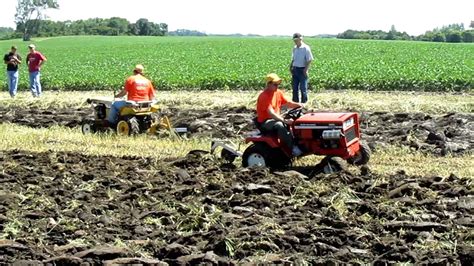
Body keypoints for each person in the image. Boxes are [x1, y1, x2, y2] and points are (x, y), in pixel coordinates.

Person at [256, 73, 304, 156]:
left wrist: (300, 105)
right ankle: (293, 148)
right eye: (275, 84)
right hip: (265, 122)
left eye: (278, 84)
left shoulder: (278, 93)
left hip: (275, 118)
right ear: (268, 84)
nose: (277, 86)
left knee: (297, 119)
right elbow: (271, 114)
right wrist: (284, 121)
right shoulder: (264, 96)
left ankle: (301, 143)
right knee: (280, 125)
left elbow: (289, 103)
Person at [289, 33, 314, 103]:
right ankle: (295, 104)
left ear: (301, 39)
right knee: (294, 89)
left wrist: (305, 70)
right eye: (294, 40)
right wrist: (291, 67)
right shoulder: (294, 48)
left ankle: (304, 104)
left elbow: (309, 60)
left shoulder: (306, 48)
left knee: (303, 89)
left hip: (302, 70)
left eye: (297, 40)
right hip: (295, 69)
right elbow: (293, 59)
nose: (295, 42)